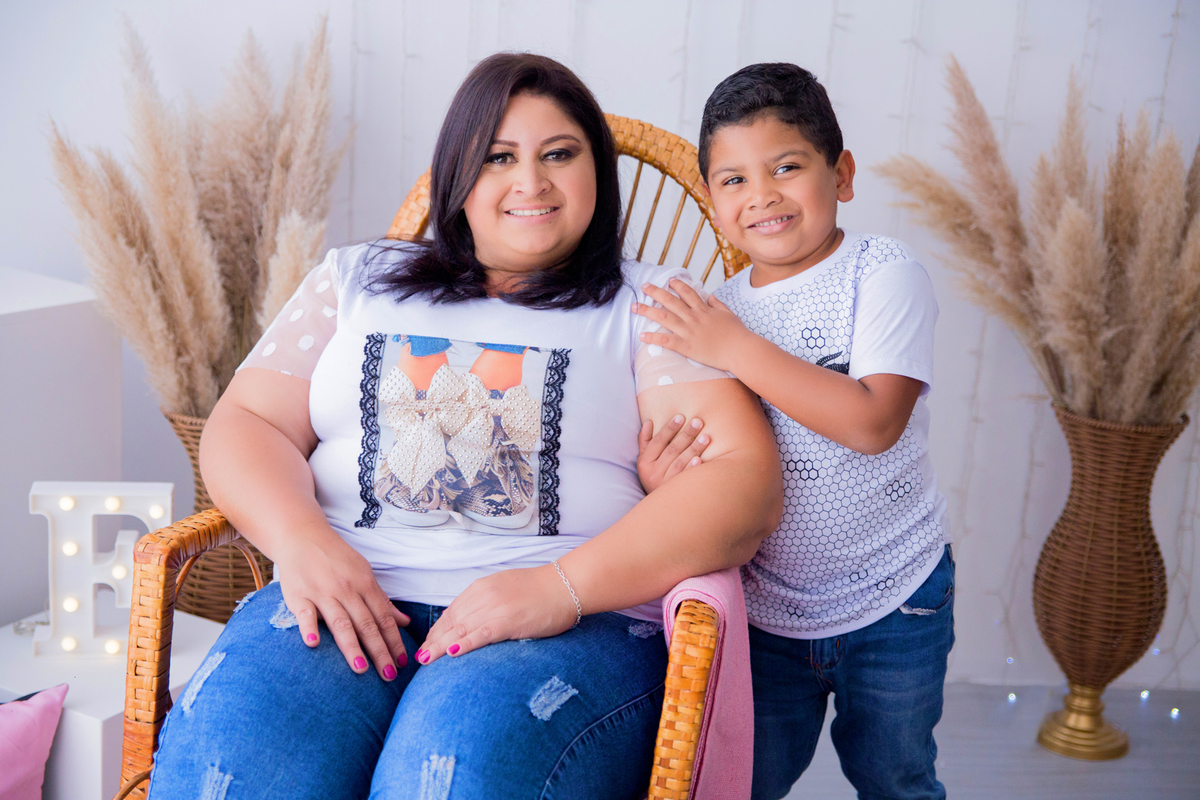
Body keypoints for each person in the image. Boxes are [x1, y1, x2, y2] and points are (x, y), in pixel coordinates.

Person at [144, 53, 782, 800]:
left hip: (566, 623)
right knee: (230, 767)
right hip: (340, 590)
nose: (531, 182)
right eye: (498, 157)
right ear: (457, 174)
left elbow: (746, 487)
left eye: (560, 155)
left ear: (596, 173)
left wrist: (557, 588)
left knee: (447, 777)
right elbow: (245, 421)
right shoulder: (356, 280)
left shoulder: (653, 306)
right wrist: (303, 543)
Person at [634, 63, 953, 800]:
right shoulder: (714, 311)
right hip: (769, 613)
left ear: (840, 174)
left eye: (787, 167)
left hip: (896, 598)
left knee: (896, 776)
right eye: (735, 181)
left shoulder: (882, 274)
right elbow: (701, 445)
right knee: (746, 780)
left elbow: (873, 422)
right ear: (713, 203)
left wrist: (736, 350)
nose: (763, 196)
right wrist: (663, 475)